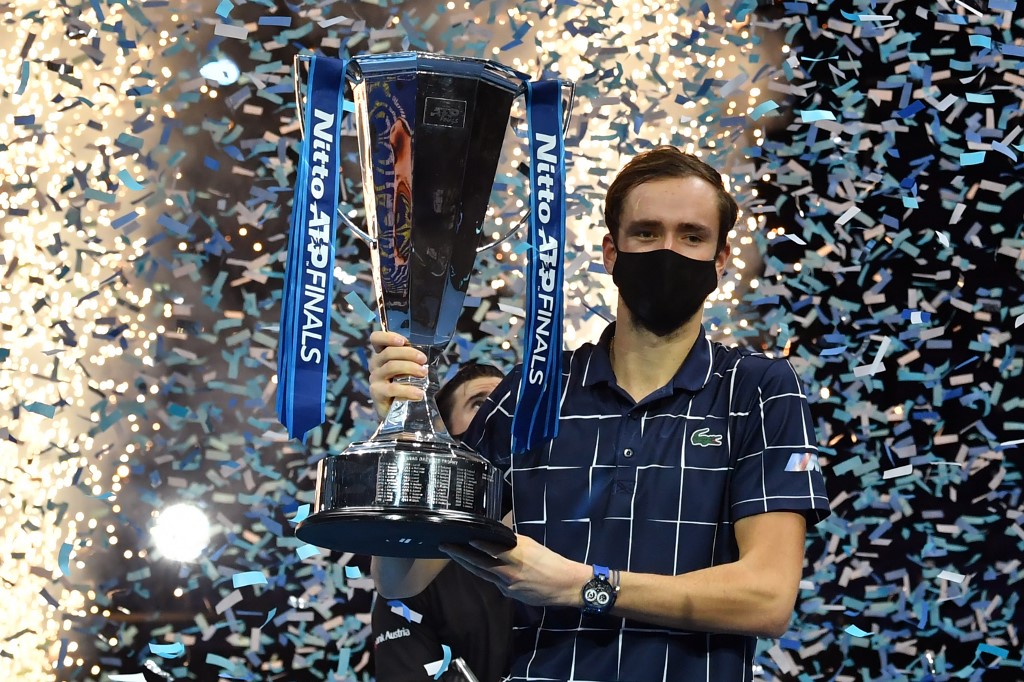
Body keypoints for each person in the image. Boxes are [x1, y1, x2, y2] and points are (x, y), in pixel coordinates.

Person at [369, 146, 830, 681]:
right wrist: (401, 437)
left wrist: (582, 585)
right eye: (647, 232)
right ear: (612, 252)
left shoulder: (759, 389)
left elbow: (768, 599)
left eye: (692, 236)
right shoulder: (533, 392)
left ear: (720, 261)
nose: (668, 251)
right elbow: (401, 577)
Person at [370, 362, 514, 682]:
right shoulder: (410, 571)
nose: (503, 413)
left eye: (512, 400)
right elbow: (393, 584)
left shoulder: (574, 531)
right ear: (447, 436)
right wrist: (402, 432)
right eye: (480, 403)